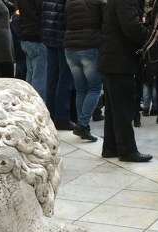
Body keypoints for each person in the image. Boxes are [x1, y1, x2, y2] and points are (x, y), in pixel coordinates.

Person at [98, 0, 153, 162]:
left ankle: (110, 147)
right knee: (123, 108)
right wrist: (150, 39)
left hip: (111, 59)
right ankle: (127, 150)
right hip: (119, 61)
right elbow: (131, 27)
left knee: (113, 109)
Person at [64, 0, 104, 142]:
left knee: (81, 89)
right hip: (89, 46)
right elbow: (105, 22)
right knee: (95, 88)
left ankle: (83, 126)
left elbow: (66, 21)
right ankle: (83, 124)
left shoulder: (69, 1)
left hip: (70, 47)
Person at [41, 0, 76, 130]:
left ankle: (51, 114)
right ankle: (62, 118)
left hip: (48, 34)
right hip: (62, 36)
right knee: (65, 78)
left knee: (52, 77)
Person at [18, 0, 48, 100]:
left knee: (30, 75)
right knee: (39, 78)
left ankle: (28, 103)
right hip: (37, 38)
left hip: (25, 36)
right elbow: (43, 12)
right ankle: (38, 106)